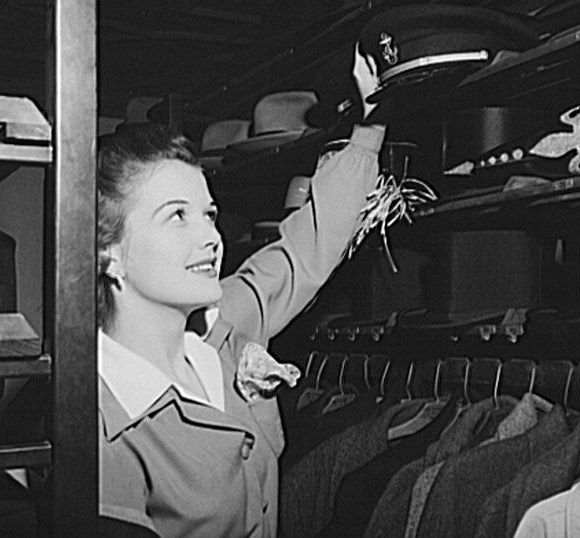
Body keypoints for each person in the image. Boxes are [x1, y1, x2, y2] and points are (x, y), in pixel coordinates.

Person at [97, 46, 383, 536]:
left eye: (208, 214)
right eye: (177, 216)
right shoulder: (100, 418)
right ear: (110, 255)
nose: (210, 236)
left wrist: (372, 125)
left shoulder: (223, 322)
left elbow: (305, 249)